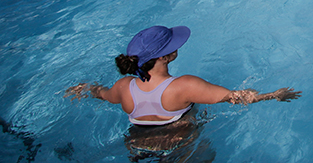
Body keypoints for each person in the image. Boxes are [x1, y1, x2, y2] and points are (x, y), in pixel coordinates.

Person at [64, 25, 300, 126]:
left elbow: (101, 94)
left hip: (136, 145)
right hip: (180, 145)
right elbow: (235, 97)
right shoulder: (184, 86)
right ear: (163, 58)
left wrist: (85, 88)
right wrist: (274, 95)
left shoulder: (124, 87)